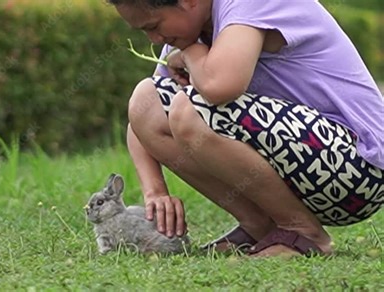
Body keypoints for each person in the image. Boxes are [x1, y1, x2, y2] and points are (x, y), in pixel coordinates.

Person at [107, 0, 384, 256]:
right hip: (309, 168)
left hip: (357, 169)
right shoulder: (195, 32)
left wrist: (191, 54)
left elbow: (220, 86)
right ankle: (260, 227)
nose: (154, 40)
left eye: (154, 26)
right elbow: (144, 120)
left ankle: (304, 233)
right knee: (147, 96)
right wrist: (155, 191)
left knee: (190, 110)